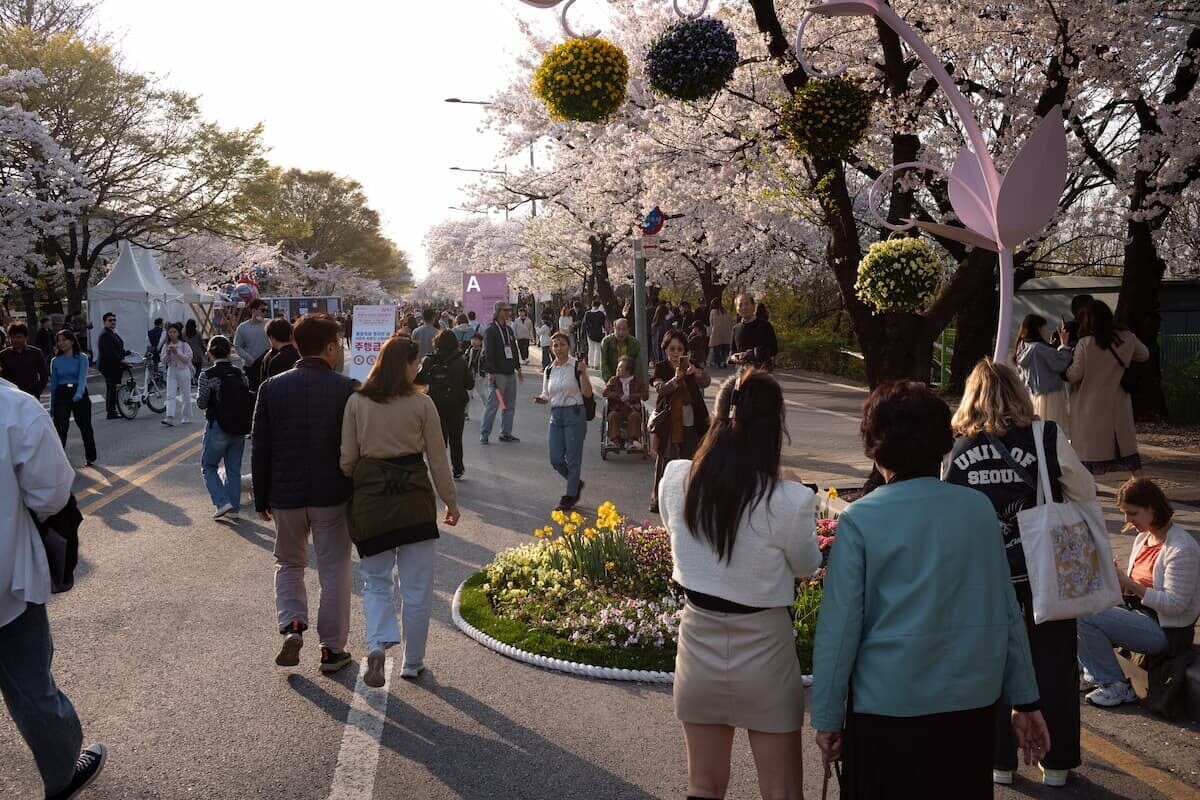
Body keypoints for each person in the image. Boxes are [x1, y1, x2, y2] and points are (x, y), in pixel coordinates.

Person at [812, 380, 1050, 799]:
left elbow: (840, 630)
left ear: (875, 445)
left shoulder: (860, 521)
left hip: (886, 707)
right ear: (942, 441)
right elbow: (1006, 610)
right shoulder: (977, 510)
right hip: (970, 707)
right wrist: (1026, 699)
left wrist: (829, 717)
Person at [659, 370, 820, 800]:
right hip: (765, 651)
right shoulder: (788, 498)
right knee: (782, 792)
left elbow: (677, 537)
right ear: (774, 427)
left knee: (703, 787)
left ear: (717, 415)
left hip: (698, 644)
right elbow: (806, 564)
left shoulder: (677, 479)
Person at [944, 359, 1094, 787]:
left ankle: (1001, 761)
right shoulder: (1046, 436)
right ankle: (1057, 762)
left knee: (992, 667)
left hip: (986, 579)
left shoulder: (957, 447)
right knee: (1054, 665)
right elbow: (1082, 490)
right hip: (1046, 573)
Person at [0, 377, 107, 799]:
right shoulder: (13, 406)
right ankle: (62, 774)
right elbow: (50, 493)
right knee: (29, 684)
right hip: (6, 582)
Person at [340, 335, 461, 686]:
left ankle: (377, 645)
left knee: (376, 581)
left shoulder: (357, 402)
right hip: (414, 500)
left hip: (372, 501)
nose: (418, 367)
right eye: (415, 362)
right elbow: (439, 460)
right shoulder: (422, 404)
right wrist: (450, 502)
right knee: (417, 588)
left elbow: (347, 460)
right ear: (404, 365)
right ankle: (412, 661)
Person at [252, 314, 357, 674]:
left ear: (296, 345)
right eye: (339, 344)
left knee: (289, 563)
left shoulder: (272, 388)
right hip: (333, 494)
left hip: (285, 494)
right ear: (329, 347)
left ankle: (293, 625)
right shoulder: (347, 389)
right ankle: (331, 649)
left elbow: (261, 446)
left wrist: (261, 496)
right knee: (334, 570)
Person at [1077, 478, 1200, 710]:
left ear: (1152, 508)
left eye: (1132, 513)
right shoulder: (1143, 538)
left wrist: (1129, 583)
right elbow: (1130, 591)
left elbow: (1175, 605)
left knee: (1086, 615)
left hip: (1166, 630)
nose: (1127, 521)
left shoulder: (1182, 548)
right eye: (1125, 514)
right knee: (1078, 603)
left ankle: (1115, 684)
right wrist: (1114, 579)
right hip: (1139, 614)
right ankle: (1092, 671)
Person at [1066, 300, 1149, 477]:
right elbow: (1144, 355)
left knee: (1088, 452)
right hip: (1118, 402)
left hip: (1089, 406)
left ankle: (1090, 492)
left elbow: (1075, 375)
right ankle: (1142, 489)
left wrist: (1064, 364)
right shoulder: (1128, 338)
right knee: (1126, 450)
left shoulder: (1085, 343)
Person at [649, 329, 711, 514]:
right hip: (669, 422)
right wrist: (675, 380)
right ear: (665, 349)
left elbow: (706, 382)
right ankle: (658, 498)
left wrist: (697, 373)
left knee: (691, 460)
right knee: (665, 461)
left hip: (693, 421)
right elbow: (660, 388)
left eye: (680, 349)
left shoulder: (691, 365)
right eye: (672, 349)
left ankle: (690, 499)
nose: (676, 353)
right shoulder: (660, 367)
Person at [533, 332, 593, 510]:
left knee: (573, 458)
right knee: (556, 459)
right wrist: (542, 398)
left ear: (569, 347)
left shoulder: (576, 366)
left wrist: (583, 374)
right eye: (555, 345)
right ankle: (575, 483)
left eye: (562, 345)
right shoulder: (549, 369)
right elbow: (546, 393)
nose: (558, 348)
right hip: (556, 415)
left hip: (574, 413)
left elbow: (588, 393)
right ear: (551, 349)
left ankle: (569, 495)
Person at [196, 336, 251, 520]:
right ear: (229, 351)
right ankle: (234, 508)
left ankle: (221, 502)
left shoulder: (207, 376)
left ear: (210, 353)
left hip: (217, 425)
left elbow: (202, 403)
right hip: (240, 426)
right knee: (233, 468)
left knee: (208, 466)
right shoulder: (239, 373)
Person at [416, 330, 474, 479]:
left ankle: (439, 470)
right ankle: (458, 468)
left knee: (438, 440)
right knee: (456, 438)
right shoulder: (460, 361)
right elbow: (469, 384)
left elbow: (418, 380)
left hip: (434, 404)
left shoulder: (429, 360)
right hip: (456, 404)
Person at [1014, 314, 1074, 438]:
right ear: (1037, 328)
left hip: (1033, 396)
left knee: (1039, 434)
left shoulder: (1022, 347)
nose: (1044, 331)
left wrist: (1050, 348)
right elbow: (1060, 363)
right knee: (1055, 434)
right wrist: (1064, 344)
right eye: (1042, 327)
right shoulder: (1039, 348)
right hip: (1051, 396)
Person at [48, 330, 97, 468]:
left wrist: (79, 393)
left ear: (72, 341)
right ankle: (59, 460)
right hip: (62, 394)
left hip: (79, 393)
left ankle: (91, 456)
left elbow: (82, 378)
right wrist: (52, 406)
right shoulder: (55, 361)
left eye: (64, 339)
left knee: (85, 426)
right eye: (59, 340)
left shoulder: (81, 357)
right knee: (61, 428)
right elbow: (54, 385)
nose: (61, 343)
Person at [480, 300, 523, 445]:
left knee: (509, 405)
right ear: (498, 312)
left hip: (510, 373)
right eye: (505, 310)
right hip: (498, 374)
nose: (508, 313)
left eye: (509, 310)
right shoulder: (491, 330)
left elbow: (514, 350)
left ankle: (506, 432)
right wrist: (491, 371)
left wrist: (518, 367)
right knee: (493, 405)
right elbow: (488, 352)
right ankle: (484, 434)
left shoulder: (509, 330)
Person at [602, 356, 648, 450]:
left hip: (632, 409)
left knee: (635, 416)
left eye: (620, 368)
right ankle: (615, 441)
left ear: (628, 371)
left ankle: (632, 441)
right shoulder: (613, 380)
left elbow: (645, 395)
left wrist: (631, 396)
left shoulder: (637, 382)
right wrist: (619, 396)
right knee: (613, 415)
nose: (617, 369)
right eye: (617, 367)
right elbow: (605, 392)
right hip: (617, 408)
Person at [0, 322, 50, 398]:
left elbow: (44, 375)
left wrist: (37, 391)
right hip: (11, 396)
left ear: (26, 337)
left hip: (31, 395)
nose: (15, 340)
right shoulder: (3, 355)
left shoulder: (36, 353)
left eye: (19, 337)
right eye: (12, 337)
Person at [730, 293, 778, 370]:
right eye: (740, 305)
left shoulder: (765, 325)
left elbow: (774, 349)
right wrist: (733, 357)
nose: (744, 307)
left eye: (746, 304)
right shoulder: (736, 328)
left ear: (753, 306)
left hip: (762, 372)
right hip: (741, 373)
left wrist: (750, 354)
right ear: (737, 309)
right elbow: (732, 352)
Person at [158, 323, 193, 427]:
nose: (172, 334)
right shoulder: (166, 345)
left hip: (183, 370)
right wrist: (168, 353)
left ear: (178, 333)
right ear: (167, 333)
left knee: (186, 395)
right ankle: (169, 417)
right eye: (170, 332)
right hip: (171, 371)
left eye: (174, 332)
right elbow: (163, 360)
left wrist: (177, 352)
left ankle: (186, 416)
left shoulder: (184, 345)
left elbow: (187, 359)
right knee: (170, 394)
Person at [233, 299, 270, 392]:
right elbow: (237, 346)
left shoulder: (269, 324)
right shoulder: (242, 327)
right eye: (262, 310)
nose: (265, 313)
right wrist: (250, 359)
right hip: (251, 366)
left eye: (266, 310)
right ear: (253, 310)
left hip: (267, 365)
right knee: (253, 393)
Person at [96, 312, 128, 419]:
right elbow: (110, 352)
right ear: (104, 322)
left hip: (113, 364)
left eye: (114, 320)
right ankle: (111, 412)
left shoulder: (112, 333)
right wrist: (121, 360)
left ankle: (111, 410)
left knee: (112, 387)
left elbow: (117, 348)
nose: (113, 322)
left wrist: (127, 353)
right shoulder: (105, 334)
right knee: (111, 388)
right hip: (108, 365)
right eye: (110, 320)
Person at [599, 317, 645, 383]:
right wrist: (609, 380)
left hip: (629, 379)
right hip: (612, 378)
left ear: (628, 330)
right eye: (618, 329)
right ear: (614, 329)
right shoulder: (606, 342)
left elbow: (638, 366)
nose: (621, 332)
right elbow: (604, 364)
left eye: (624, 329)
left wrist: (637, 383)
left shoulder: (634, 343)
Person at [582, 299, 607, 368]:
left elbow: (584, 324)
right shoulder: (601, 314)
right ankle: (596, 363)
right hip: (598, 332)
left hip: (589, 333)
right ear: (599, 306)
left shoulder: (587, 313)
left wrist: (583, 333)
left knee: (591, 348)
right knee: (598, 348)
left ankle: (591, 363)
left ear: (592, 305)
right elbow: (603, 324)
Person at [707, 298, 732, 368]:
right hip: (726, 332)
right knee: (724, 349)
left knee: (716, 349)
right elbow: (730, 321)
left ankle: (718, 363)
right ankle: (724, 362)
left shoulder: (713, 312)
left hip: (716, 332)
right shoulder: (725, 311)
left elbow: (711, 323)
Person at [184, 319, 206, 387]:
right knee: (198, 367)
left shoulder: (183, 333)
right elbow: (202, 344)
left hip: (187, 353)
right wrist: (204, 350)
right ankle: (196, 379)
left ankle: (191, 380)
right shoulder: (197, 333)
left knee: (189, 368)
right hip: (197, 353)